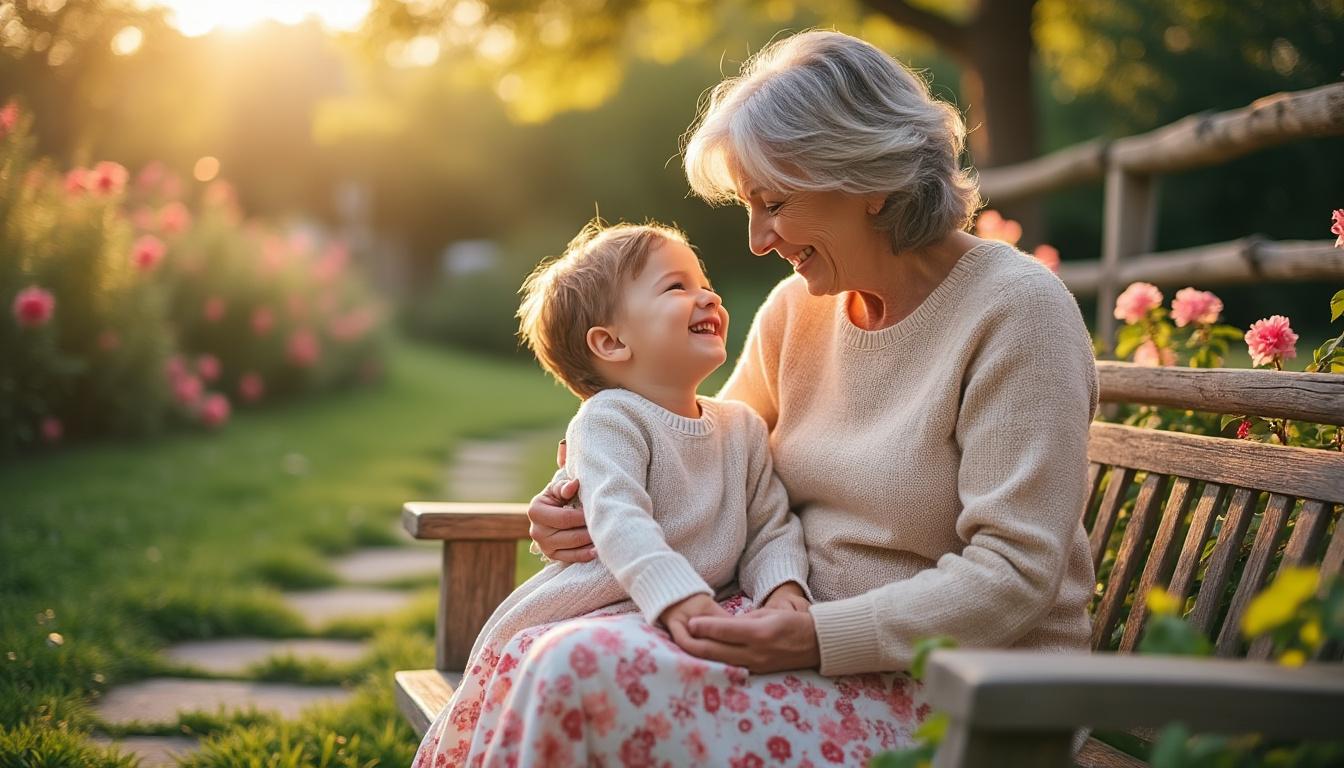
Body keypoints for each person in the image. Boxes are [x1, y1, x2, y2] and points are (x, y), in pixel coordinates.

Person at [517, 29, 1099, 765]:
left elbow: (1014, 574)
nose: (759, 240)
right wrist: (577, 499)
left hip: (962, 695)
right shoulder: (799, 309)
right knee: (547, 651)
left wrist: (816, 636)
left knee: (580, 674)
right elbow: (694, 447)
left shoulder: (1016, 310)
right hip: (799, 644)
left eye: (775, 204)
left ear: (870, 178)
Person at [412, 220, 812, 766]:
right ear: (612, 341)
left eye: (704, 282)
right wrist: (678, 596)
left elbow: (771, 525)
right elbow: (618, 515)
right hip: (601, 608)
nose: (708, 296)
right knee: (549, 664)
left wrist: (782, 590)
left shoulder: (740, 426)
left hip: (701, 611)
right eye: (677, 287)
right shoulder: (609, 419)